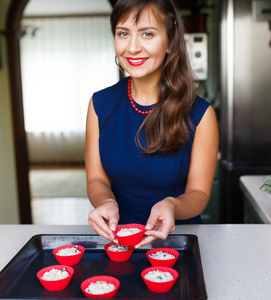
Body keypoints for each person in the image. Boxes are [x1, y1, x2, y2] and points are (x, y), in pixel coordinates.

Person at [85, 0, 219, 249]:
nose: (132, 47)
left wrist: (172, 204)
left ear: (169, 41)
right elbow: (96, 179)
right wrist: (106, 202)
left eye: (147, 33)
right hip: (117, 242)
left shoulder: (201, 114)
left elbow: (199, 194)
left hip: (179, 242)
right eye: (123, 33)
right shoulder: (99, 105)